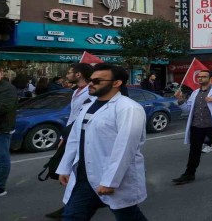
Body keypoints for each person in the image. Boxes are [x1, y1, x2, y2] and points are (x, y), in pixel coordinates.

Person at [56, 64, 148, 220]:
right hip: (83, 178)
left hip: (111, 177)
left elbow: (125, 148)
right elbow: (75, 139)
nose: (91, 84)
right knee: (72, 216)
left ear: (116, 83)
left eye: (97, 81)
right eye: (91, 80)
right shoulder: (88, 106)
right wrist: (64, 167)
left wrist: (110, 181)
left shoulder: (128, 108)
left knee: (128, 216)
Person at [45, 63, 95, 219]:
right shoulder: (76, 91)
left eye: (69, 72)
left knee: (76, 172)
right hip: (71, 134)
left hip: (83, 136)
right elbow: (73, 117)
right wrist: (63, 136)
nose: (67, 75)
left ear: (79, 74)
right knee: (75, 171)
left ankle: (70, 207)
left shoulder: (90, 93)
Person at [172, 70, 212, 184]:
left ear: (210, 78)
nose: (200, 79)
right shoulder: (195, 93)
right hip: (197, 125)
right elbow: (188, 109)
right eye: (199, 77)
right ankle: (189, 173)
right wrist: (180, 100)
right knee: (194, 150)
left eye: (203, 77)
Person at [0, 67, 18, 198]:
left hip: (1, 129)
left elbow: (3, 108)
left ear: (1, 74)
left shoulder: (7, 88)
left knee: (2, 159)